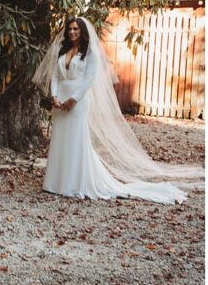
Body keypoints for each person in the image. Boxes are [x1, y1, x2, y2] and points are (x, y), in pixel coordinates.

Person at [32, 16, 202, 202]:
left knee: (75, 139)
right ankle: (55, 182)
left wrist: (73, 99)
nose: (72, 32)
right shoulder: (61, 49)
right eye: (70, 29)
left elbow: (89, 79)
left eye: (76, 29)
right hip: (60, 100)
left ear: (82, 32)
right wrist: (54, 96)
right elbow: (56, 76)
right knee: (60, 138)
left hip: (77, 101)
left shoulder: (90, 53)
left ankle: (74, 183)